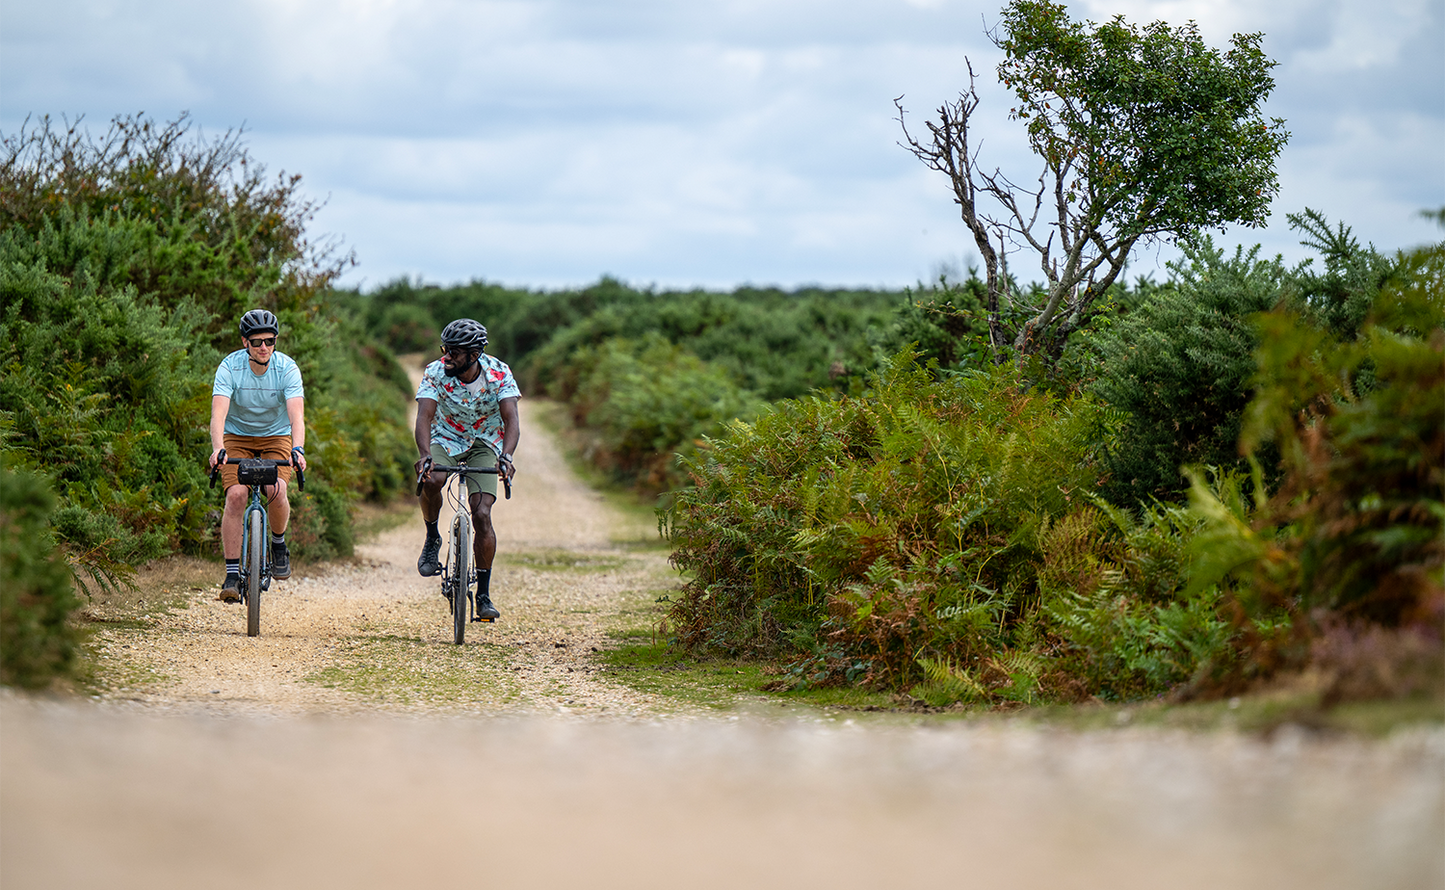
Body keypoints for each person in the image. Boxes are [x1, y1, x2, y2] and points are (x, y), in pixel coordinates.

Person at [414, 318, 520, 621]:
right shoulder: (435, 372)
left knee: (482, 513)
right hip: (444, 437)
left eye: (455, 352)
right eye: (445, 349)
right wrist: (425, 455)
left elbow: (511, 419)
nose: (446, 357)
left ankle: (483, 595)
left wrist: (507, 456)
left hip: (485, 441)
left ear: (474, 355)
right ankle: (432, 537)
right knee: (432, 478)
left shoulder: (499, 373)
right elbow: (424, 416)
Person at [208, 309, 308, 602]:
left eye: (270, 340)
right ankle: (231, 574)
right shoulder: (229, 367)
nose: (264, 347)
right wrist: (217, 448)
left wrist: (298, 448)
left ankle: (278, 544)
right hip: (235, 436)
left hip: (276, 437)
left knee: (275, 489)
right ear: (245, 343)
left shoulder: (287, 368)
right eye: (257, 342)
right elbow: (218, 414)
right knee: (236, 496)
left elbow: (296, 416)